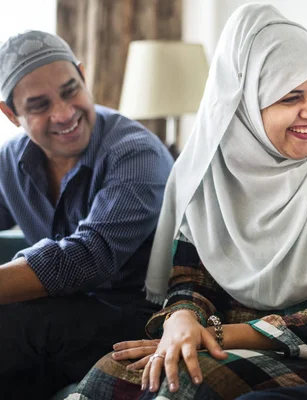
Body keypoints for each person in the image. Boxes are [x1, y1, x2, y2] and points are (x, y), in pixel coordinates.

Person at [68, 3, 307, 400]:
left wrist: (210, 334)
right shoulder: (207, 174)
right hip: (217, 342)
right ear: (244, 104)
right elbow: (191, 283)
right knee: (112, 374)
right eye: (291, 96)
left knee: (183, 382)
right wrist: (181, 321)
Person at [0, 30, 173, 398]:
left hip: (143, 322)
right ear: (10, 113)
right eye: (39, 105)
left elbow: (87, 256)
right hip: (67, 320)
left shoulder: (135, 153)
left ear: (83, 74)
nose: (63, 114)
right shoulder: (10, 162)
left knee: (18, 319)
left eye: (69, 91)